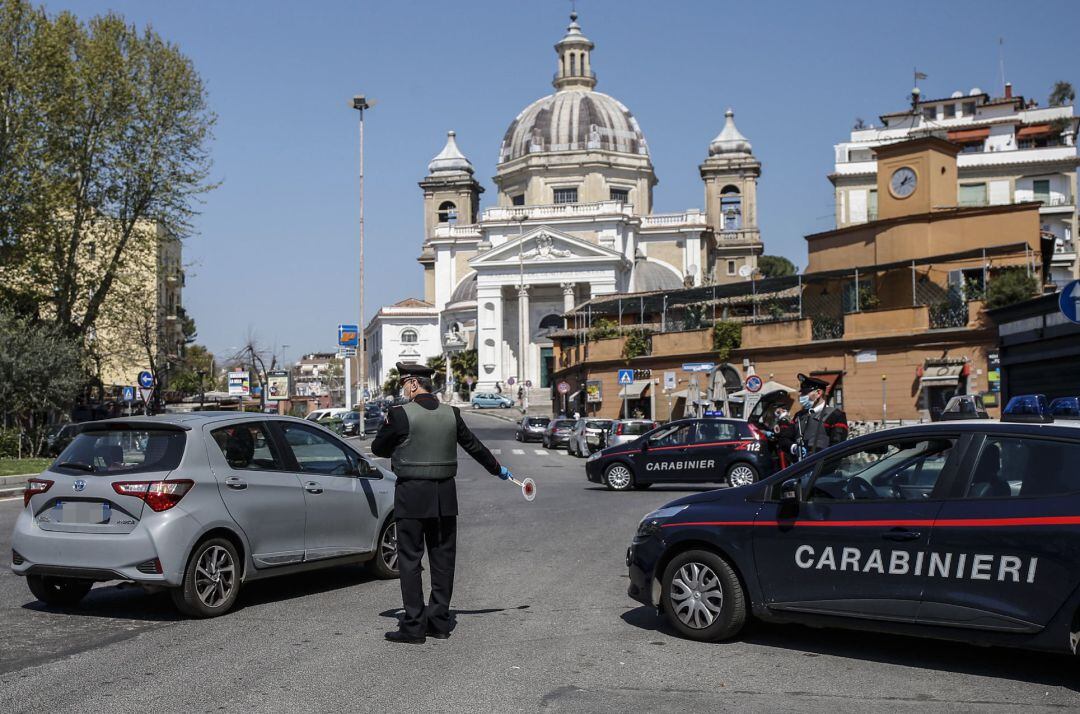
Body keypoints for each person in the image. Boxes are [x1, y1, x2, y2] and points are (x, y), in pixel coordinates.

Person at [372, 362, 514, 644]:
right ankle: (438, 622)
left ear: (413, 383)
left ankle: (413, 626)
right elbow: (474, 446)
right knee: (442, 560)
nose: (403, 389)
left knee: (411, 561)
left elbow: (379, 448)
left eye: (404, 384)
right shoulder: (452, 414)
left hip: (412, 495)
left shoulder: (399, 415)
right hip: (445, 496)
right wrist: (498, 470)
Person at [792, 373, 848, 458]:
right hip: (801, 468)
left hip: (826, 468)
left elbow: (837, 445)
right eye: (802, 393)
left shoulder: (836, 415)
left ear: (818, 393)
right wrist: (794, 448)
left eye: (805, 393)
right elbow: (785, 438)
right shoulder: (799, 415)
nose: (801, 396)